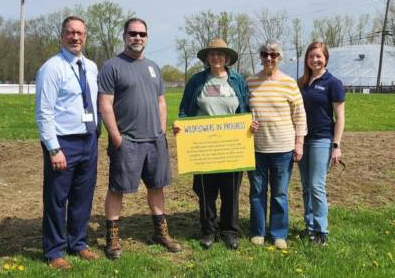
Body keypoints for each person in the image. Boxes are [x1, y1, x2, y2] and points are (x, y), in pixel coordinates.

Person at [98, 18, 182, 259]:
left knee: (157, 186)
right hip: (127, 141)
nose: (137, 38)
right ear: (124, 36)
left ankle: (160, 232)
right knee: (117, 189)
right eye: (133, 33)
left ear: (147, 37)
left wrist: (162, 131)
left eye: (142, 34)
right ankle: (113, 239)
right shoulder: (112, 66)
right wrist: (116, 138)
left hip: (155, 141)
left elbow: (161, 101)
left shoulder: (154, 66)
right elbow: (105, 104)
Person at [173, 39, 258, 250]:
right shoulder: (197, 81)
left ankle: (229, 231)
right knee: (206, 192)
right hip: (203, 147)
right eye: (212, 54)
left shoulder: (237, 80)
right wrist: (181, 126)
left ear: (227, 58)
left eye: (220, 54)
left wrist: (251, 123)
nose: (216, 57)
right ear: (207, 58)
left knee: (231, 191)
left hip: (232, 146)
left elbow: (246, 108)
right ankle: (208, 231)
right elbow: (184, 109)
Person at [35, 16, 102, 269]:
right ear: (62, 35)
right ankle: (54, 251)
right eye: (70, 33)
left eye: (80, 33)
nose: (76, 37)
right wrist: (54, 149)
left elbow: (94, 103)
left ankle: (79, 244)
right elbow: (44, 112)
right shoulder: (52, 68)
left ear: (85, 36)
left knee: (83, 196)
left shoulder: (92, 66)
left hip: (88, 140)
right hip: (63, 143)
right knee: (56, 198)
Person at [246, 39, 307, 250]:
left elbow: (300, 115)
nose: (269, 58)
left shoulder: (289, 83)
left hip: (282, 148)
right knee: (257, 192)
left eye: (273, 55)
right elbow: (242, 112)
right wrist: (246, 124)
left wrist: (299, 143)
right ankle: (258, 231)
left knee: (280, 193)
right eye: (265, 54)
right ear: (260, 57)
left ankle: (279, 233)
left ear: (279, 57)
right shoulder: (250, 82)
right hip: (254, 148)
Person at [297, 42, 345, 245]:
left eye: (318, 56)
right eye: (310, 57)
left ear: (325, 58)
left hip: (321, 140)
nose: (314, 60)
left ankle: (321, 230)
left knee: (317, 185)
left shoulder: (332, 83)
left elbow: (340, 118)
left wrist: (336, 145)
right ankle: (309, 227)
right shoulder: (301, 82)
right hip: (302, 140)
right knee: (306, 186)